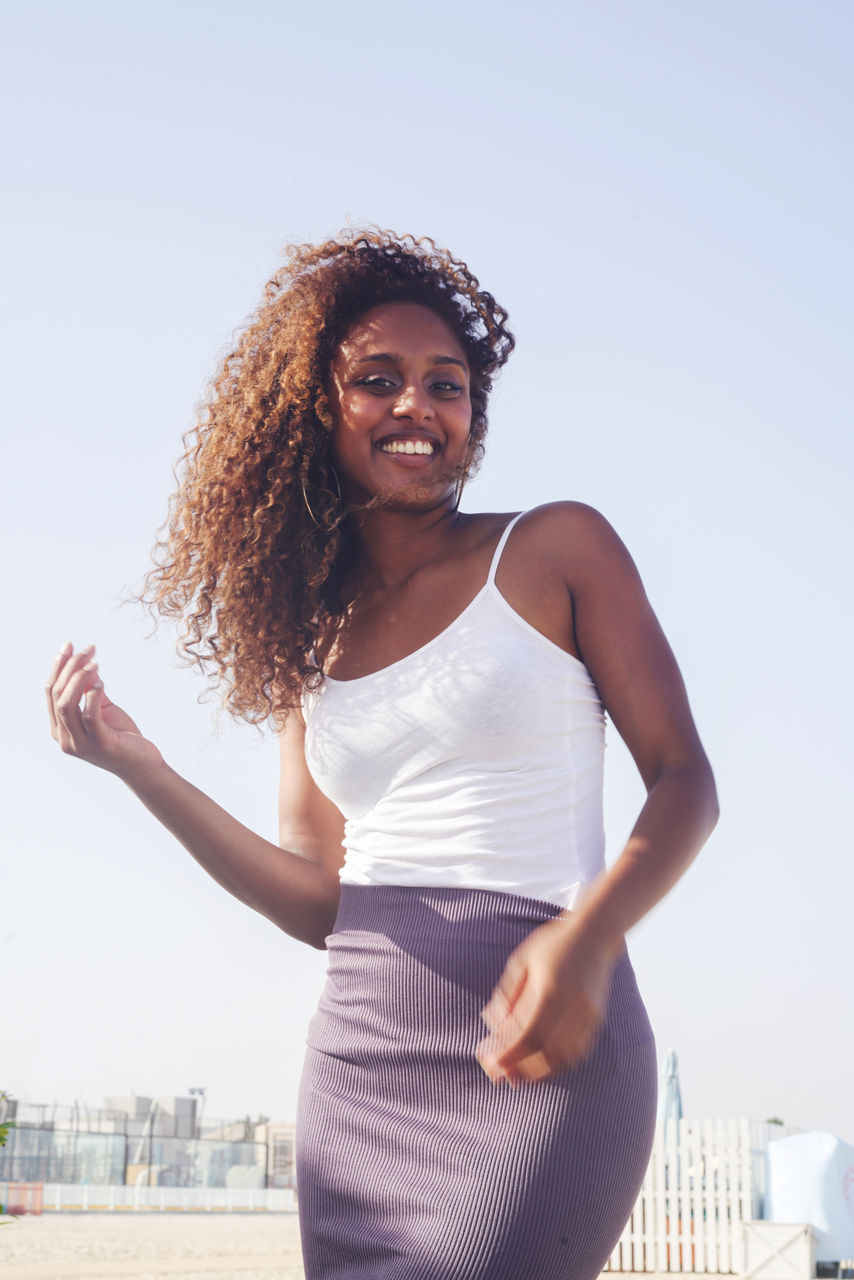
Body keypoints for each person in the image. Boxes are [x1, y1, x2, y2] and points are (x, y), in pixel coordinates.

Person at [46, 228, 718, 1280]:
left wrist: (588, 936)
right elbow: (322, 898)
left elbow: (686, 780)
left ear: (472, 416)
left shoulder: (554, 549)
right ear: (320, 408)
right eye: (378, 379)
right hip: (358, 1069)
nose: (417, 405)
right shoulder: (306, 639)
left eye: (444, 384)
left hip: (540, 1047)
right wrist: (146, 769)